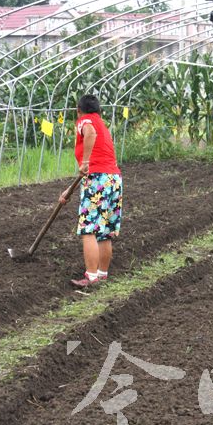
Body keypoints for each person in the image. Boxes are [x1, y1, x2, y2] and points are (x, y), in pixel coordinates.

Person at [60, 94, 123, 288]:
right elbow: (97, 164)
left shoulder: (85, 121)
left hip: (98, 179)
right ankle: (102, 274)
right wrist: (68, 191)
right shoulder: (102, 125)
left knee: (89, 229)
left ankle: (91, 277)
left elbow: (90, 134)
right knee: (105, 231)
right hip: (113, 178)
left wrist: (85, 162)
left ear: (78, 111)